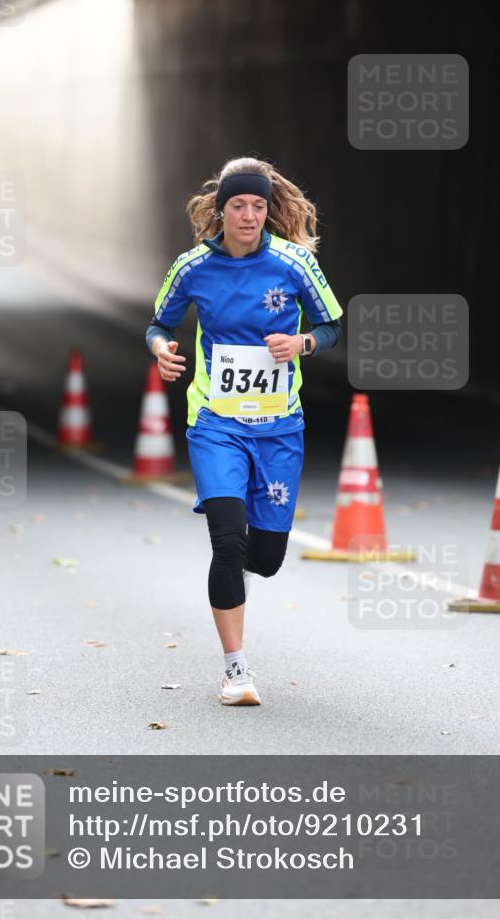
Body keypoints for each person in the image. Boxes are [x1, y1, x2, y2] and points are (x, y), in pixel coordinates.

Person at [145, 156, 343, 706]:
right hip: (216, 422)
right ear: (220, 211)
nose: (250, 215)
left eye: (258, 205)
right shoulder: (192, 268)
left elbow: (332, 325)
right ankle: (235, 670)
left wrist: (302, 343)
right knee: (228, 540)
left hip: (279, 426)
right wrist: (163, 351)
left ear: (267, 209)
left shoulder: (294, 263)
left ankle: (241, 568)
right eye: (239, 205)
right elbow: (159, 324)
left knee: (267, 557)